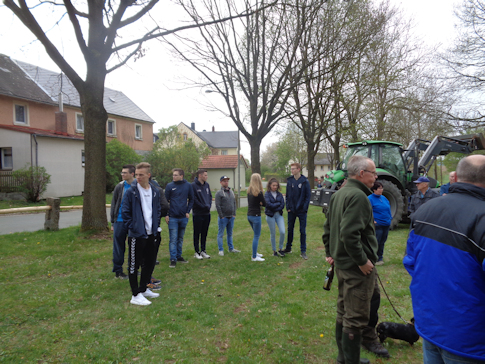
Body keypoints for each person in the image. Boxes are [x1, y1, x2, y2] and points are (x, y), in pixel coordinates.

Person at [403, 155, 485, 363]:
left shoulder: (425, 210)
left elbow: (411, 262)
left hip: (430, 323)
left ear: (455, 177)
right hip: (469, 338)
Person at [323, 155, 378, 364]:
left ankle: (343, 358)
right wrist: (362, 261)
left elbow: (328, 229)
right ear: (362, 173)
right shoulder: (358, 197)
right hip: (356, 268)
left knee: (344, 310)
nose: (376, 177)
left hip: (342, 263)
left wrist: (331, 252)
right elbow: (348, 233)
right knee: (355, 317)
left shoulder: (340, 194)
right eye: (373, 173)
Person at [122, 162, 162, 306]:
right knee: (134, 265)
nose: (138, 177)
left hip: (152, 234)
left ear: (148, 175)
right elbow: (125, 213)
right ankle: (135, 295)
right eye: (137, 175)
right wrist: (134, 228)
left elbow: (157, 210)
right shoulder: (131, 192)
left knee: (150, 263)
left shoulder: (155, 191)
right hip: (137, 235)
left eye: (141, 175)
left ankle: (144, 288)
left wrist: (156, 227)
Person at [165, 168, 194, 268]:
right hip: (172, 217)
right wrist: (166, 214)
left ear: (181, 176)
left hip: (183, 217)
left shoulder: (188, 186)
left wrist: (187, 211)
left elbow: (192, 199)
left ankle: (179, 256)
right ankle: (173, 259)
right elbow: (165, 201)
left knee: (180, 238)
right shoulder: (170, 186)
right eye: (173, 175)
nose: (173, 177)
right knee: (173, 239)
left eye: (176, 175)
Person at [110, 164, 135, 279]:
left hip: (133, 222)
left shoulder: (137, 186)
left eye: (125, 173)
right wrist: (112, 222)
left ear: (132, 174)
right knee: (118, 247)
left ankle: (132, 269)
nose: (122, 174)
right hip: (119, 221)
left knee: (134, 246)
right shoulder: (119, 187)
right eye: (122, 172)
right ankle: (118, 271)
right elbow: (114, 204)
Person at [283, 163, 311, 259]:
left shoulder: (305, 181)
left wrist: (304, 208)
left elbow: (308, 197)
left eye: (294, 169)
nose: (292, 170)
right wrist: (288, 207)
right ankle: (288, 248)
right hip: (291, 210)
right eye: (291, 169)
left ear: (299, 169)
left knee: (302, 230)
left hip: (301, 210)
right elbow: (287, 196)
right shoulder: (290, 181)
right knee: (290, 229)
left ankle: (303, 251)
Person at [367, 181, 392, 266]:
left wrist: (390, 218)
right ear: (374, 189)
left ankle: (380, 257)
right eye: (379, 188)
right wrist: (372, 220)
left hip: (386, 223)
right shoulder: (370, 199)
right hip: (378, 224)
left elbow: (388, 208)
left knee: (382, 241)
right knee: (376, 241)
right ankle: (373, 258)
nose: (381, 190)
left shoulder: (384, 198)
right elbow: (367, 211)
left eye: (382, 188)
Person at [215, 176, 240, 256]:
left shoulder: (231, 192)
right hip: (223, 217)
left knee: (230, 233)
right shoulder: (219, 193)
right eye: (224, 181)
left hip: (231, 217)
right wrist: (221, 216)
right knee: (221, 234)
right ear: (221, 182)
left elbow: (234, 203)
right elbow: (217, 205)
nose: (226, 182)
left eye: (227, 181)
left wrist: (234, 214)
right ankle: (221, 250)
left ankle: (231, 248)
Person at [192, 169, 212, 260]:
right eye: (205, 175)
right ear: (200, 175)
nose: (206, 177)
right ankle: (197, 251)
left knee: (204, 233)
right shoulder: (193, 185)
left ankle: (203, 250)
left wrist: (209, 205)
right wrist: (203, 206)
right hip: (198, 213)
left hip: (207, 213)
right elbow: (194, 199)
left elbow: (210, 197)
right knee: (197, 233)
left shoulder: (207, 185)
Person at [264, 178, 286, 257]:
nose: (275, 187)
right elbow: (268, 205)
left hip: (279, 215)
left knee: (282, 231)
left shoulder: (279, 194)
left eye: (276, 185)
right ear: (270, 185)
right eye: (273, 185)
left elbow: (282, 205)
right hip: (270, 215)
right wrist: (277, 204)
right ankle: (274, 251)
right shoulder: (267, 194)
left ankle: (280, 249)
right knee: (273, 233)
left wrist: (276, 206)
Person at [247, 173, 266, 262]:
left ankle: (255, 253)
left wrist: (259, 203)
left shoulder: (249, 191)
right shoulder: (259, 192)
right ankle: (254, 257)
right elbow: (265, 204)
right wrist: (260, 203)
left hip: (249, 215)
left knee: (256, 235)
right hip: (256, 216)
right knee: (256, 236)